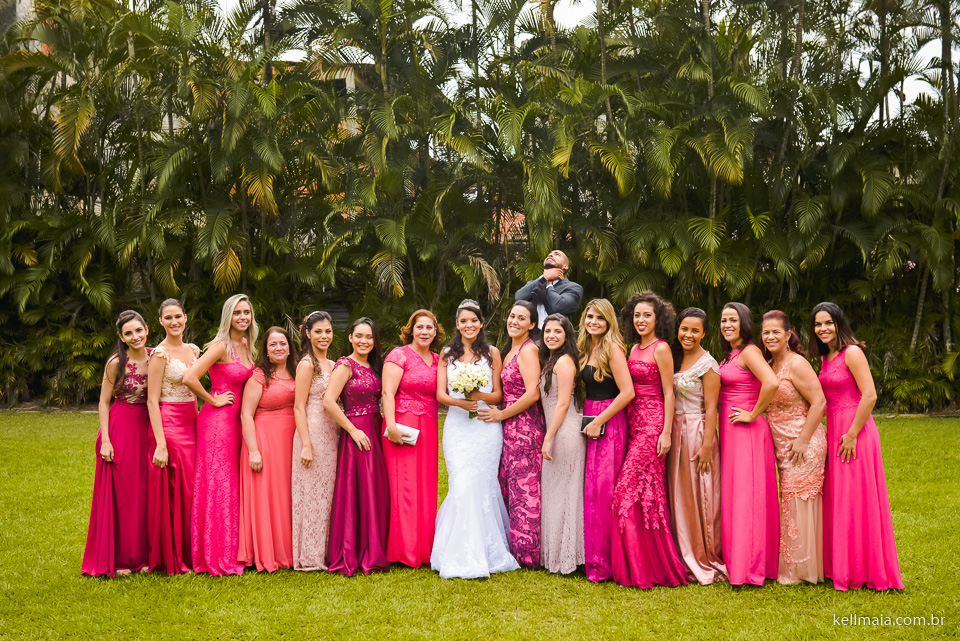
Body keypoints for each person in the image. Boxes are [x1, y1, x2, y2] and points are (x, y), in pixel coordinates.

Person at [811, 302, 903, 591]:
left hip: (855, 431)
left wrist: (851, 433)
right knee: (840, 499)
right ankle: (843, 565)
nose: (822, 329)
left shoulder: (852, 352)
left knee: (857, 497)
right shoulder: (826, 358)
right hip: (835, 428)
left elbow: (870, 395)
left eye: (828, 323)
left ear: (839, 323)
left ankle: (867, 569)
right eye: (817, 324)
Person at [432, 300, 519, 579]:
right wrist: (459, 402)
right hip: (458, 427)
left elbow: (497, 394)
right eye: (463, 321)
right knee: (461, 482)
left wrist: (477, 396)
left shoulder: (492, 352)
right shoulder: (447, 353)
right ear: (457, 325)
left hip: (484, 426)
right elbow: (440, 394)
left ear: (481, 323)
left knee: (482, 482)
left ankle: (487, 549)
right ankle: (454, 550)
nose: (468, 325)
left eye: (473, 320)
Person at [611, 292, 688, 588]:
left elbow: (670, 392)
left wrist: (666, 431)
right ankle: (642, 563)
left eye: (647, 315)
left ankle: (645, 566)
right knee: (646, 495)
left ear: (658, 319)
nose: (641, 320)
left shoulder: (662, 348)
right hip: (633, 422)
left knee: (626, 491)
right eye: (637, 315)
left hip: (654, 424)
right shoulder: (632, 349)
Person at [184, 294, 257, 576]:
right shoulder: (221, 346)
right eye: (237, 313)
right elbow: (190, 377)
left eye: (247, 313)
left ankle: (236, 547)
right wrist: (212, 400)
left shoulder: (247, 344)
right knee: (219, 483)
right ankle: (216, 555)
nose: (243, 317)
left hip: (239, 422)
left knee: (232, 482)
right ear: (228, 316)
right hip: (218, 423)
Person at [82, 311, 152, 577]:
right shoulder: (115, 363)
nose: (135, 337)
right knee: (123, 495)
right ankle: (122, 559)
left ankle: (144, 556)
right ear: (122, 337)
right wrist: (106, 440)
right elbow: (103, 402)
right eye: (129, 333)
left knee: (145, 492)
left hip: (148, 426)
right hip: (121, 427)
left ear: (147, 329)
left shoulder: (157, 356)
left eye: (138, 331)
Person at [761, 310, 827, 585]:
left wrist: (802, 440)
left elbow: (820, 402)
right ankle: (788, 563)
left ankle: (801, 570)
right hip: (780, 443)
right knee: (787, 500)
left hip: (803, 442)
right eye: (766, 332)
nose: (770, 336)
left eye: (776, 331)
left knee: (796, 500)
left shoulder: (796, 364)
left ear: (788, 334)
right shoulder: (767, 364)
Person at [479, 300, 545, 568]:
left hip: (525, 426)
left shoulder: (528, 351)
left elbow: (533, 392)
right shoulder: (511, 349)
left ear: (531, 325)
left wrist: (502, 415)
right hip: (510, 426)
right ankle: (513, 545)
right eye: (512, 316)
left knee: (525, 489)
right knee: (511, 485)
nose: (514, 321)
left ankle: (528, 554)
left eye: (521, 318)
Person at [718, 302, 780, 586]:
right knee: (735, 495)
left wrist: (753, 413)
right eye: (723, 320)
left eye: (733, 320)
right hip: (730, 433)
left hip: (747, 432)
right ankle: (738, 560)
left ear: (744, 322)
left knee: (747, 497)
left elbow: (771, 382)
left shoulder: (750, 351)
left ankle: (749, 566)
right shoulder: (731, 355)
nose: (727, 325)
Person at [324, 318, 390, 576]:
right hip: (357, 431)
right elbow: (329, 401)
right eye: (359, 336)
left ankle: (376, 547)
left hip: (375, 427)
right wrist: (352, 430)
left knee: (375, 488)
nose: (364, 341)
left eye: (369, 337)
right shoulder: (345, 365)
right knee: (358, 489)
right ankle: (356, 550)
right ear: (350, 338)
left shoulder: (374, 366)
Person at [577, 299, 635, 582]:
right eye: (590, 316)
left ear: (609, 321)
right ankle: (592, 557)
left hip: (608, 420)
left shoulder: (613, 348)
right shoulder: (587, 347)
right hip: (589, 417)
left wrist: (599, 420)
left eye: (600, 318)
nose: (594, 322)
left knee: (604, 490)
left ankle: (608, 561)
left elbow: (627, 392)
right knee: (591, 490)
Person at [668, 307, 725, 584]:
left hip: (696, 431)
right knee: (678, 493)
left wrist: (706, 445)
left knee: (698, 494)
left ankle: (704, 555)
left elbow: (712, 408)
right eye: (684, 329)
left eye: (694, 330)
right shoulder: (674, 356)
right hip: (674, 429)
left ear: (704, 333)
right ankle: (680, 550)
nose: (688, 335)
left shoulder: (708, 363)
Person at [382, 310, 442, 568]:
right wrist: (392, 425)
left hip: (428, 425)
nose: (425, 331)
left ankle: (425, 547)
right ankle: (404, 550)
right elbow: (387, 392)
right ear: (411, 329)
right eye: (420, 327)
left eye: (430, 327)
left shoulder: (439, 359)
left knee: (425, 485)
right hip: (402, 423)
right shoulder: (399, 355)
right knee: (404, 485)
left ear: (436, 332)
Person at [146, 299, 200, 575]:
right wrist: (161, 443)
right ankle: (176, 555)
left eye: (178, 316)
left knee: (194, 488)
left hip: (194, 421)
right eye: (168, 318)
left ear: (185, 317)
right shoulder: (159, 354)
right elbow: (152, 401)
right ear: (160, 321)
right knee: (180, 488)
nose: (174, 321)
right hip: (171, 424)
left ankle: (196, 550)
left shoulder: (193, 350)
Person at [238, 327, 298, 572]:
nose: (278, 348)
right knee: (268, 496)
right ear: (265, 350)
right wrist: (253, 450)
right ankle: (267, 552)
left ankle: (293, 549)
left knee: (287, 495)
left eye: (282, 343)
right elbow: (245, 414)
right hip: (265, 440)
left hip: (290, 442)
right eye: (272, 345)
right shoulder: (259, 375)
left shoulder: (298, 372)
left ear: (289, 346)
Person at [537, 314, 585, 575]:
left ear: (567, 336)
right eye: (548, 331)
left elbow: (564, 403)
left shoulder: (565, 362)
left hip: (564, 433)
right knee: (555, 493)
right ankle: (554, 554)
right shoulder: (550, 361)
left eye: (558, 331)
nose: (552, 335)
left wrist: (549, 436)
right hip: (555, 431)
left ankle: (567, 556)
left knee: (566, 493)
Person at [291, 311, 338, 571]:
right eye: (318, 331)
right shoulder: (307, 364)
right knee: (311, 494)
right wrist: (306, 444)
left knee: (326, 494)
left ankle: (326, 551)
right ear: (307, 333)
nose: (324, 336)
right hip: (312, 431)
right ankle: (308, 556)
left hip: (332, 433)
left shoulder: (332, 364)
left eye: (328, 331)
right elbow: (299, 406)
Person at [514, 250, 583, 327]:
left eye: (557, 254)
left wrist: (549, 284)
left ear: (565, 266)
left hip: (554, 336)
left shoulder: (573, 287)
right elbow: (519, 298)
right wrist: (544, 278)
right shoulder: (533, 283)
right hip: (531, 336)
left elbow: (558, 307)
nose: (550, 255)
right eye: (549, 254)